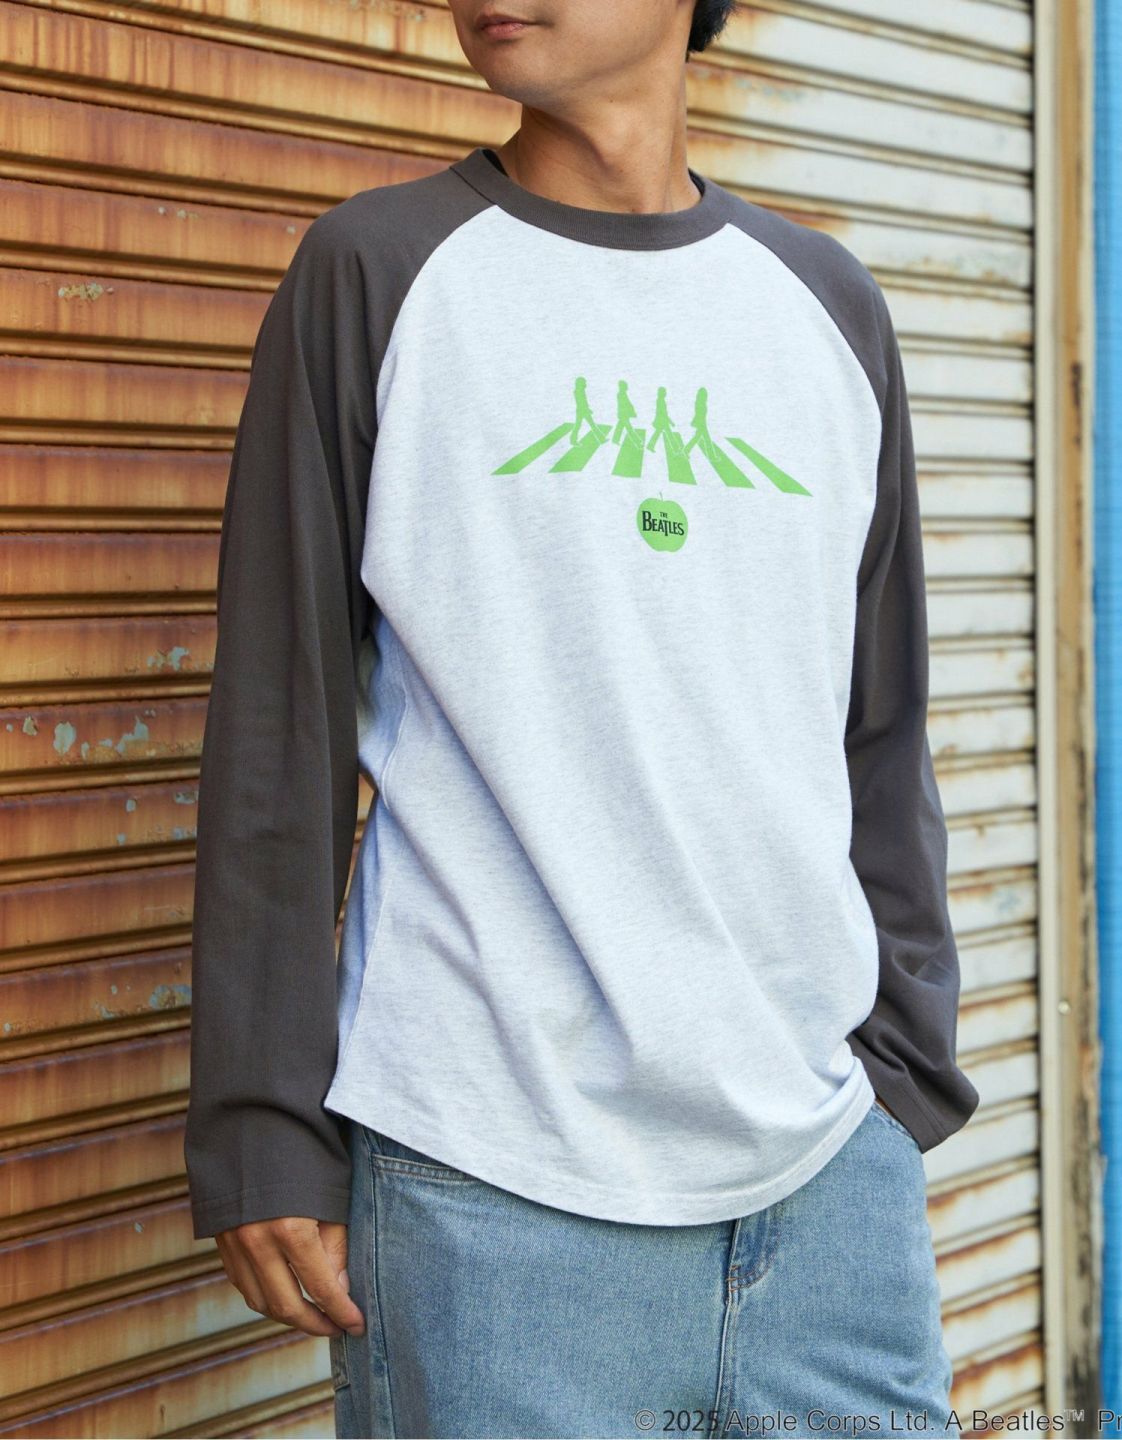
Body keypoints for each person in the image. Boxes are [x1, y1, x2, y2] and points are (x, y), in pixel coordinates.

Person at [183, 0, 981, 1435]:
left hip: (825, 1190)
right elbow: (276, 730)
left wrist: (899, 1072)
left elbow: (878, 721)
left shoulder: (826, 301)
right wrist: (260, 1125)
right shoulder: (378, 269)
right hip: (491, 1190)